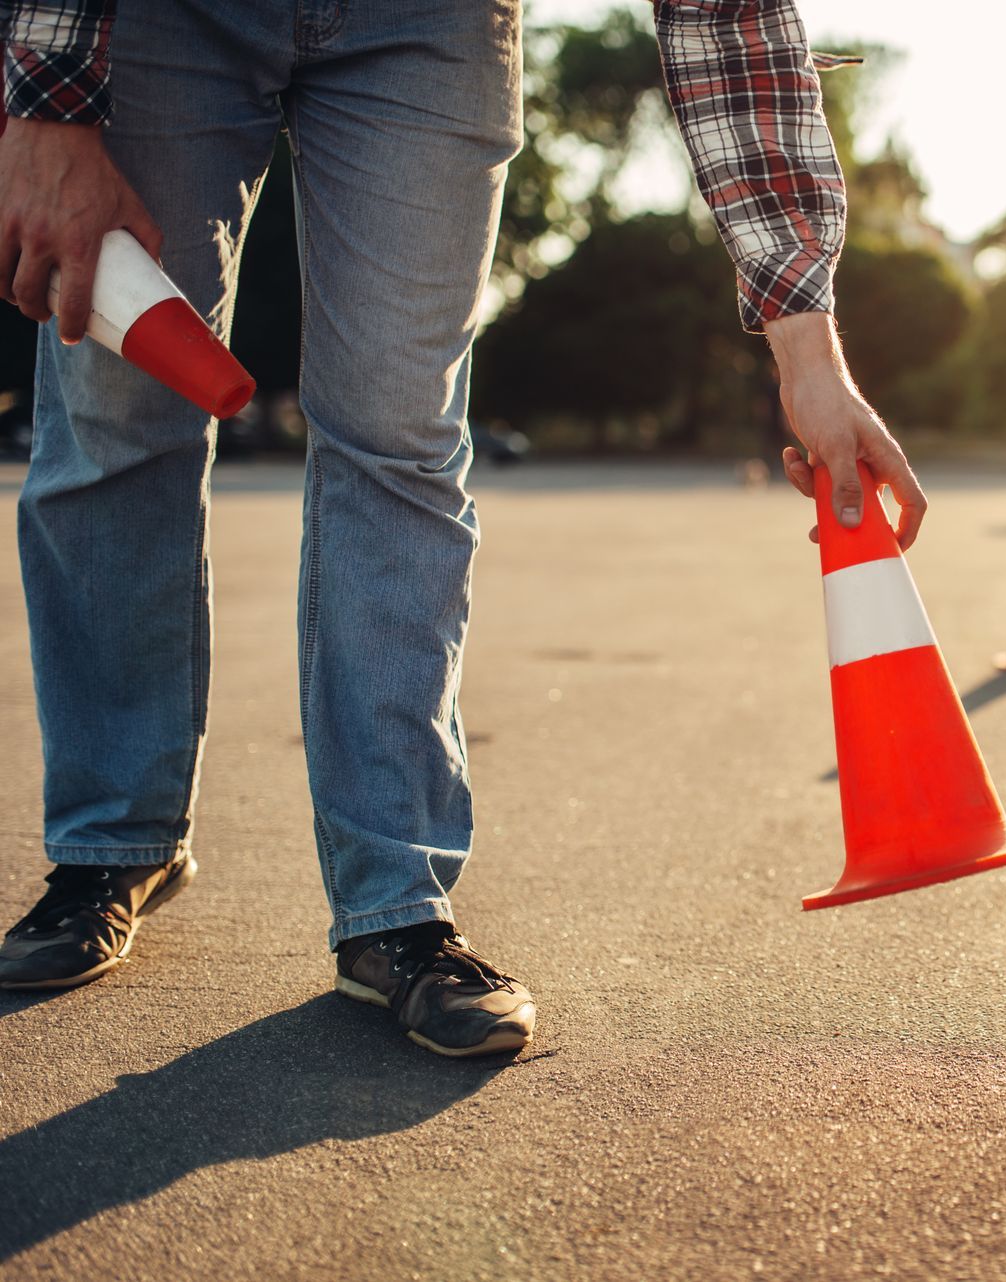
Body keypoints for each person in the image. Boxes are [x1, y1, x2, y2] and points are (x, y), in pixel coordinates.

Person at [0, 0, 926, 1056]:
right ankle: (112, 841)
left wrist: (812, 355)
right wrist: (45, 103)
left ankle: (395, 905)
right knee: (117, 409)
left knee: (400, 436)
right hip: (158, 20)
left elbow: (725, 19)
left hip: (427, 26)